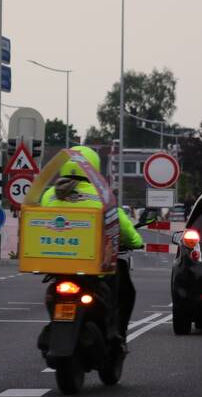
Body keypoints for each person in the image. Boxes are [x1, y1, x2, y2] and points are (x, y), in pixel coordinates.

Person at [40, 146, 144, 342]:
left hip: (58, 265)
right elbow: (123, 227)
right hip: (92, 268)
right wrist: (136, 241)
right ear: (93, 168)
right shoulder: (102, 197)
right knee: (124, 291)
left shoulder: (48, 196)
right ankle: (116, 334)